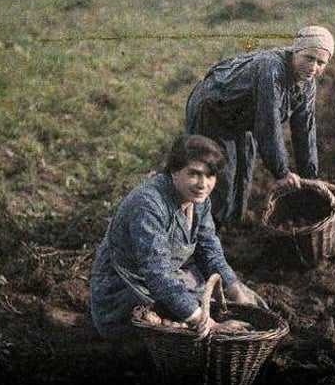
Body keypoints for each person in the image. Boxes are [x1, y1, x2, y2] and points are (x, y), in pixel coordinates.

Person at [89, 133, 261, 340]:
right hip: (128, 290)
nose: (203, 184)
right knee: (186, 330)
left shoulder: (198, 200)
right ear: (173, 171)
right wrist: (209, 323)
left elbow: (210, 252)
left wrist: (237, 295)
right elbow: (157, 273)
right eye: (194, 174)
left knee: (250, 304)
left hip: (171, 279)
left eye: (210, 175)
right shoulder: (148, 204)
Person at [185, 25, 335, 228]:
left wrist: (311, 179)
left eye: (320, 63)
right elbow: (268, 122)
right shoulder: (272, 68)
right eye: (309, 58)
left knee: (243, 177)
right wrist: (282, 172)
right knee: (222, 178)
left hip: (242, 118)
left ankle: (228, 230)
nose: (313, 67)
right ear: (295, 51)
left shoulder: (307, 84)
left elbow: (305, 130)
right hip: (213, 110)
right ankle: (204, 237)